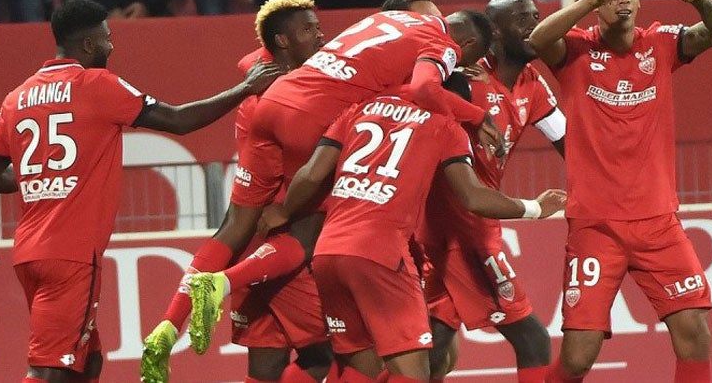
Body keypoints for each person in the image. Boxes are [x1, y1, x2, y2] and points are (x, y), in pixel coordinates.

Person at [0, 0, 282, 383]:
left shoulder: (17, 97)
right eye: (106, 38)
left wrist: (43, 183)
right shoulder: (95, 84)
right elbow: (179, 120)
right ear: (87, 45)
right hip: (72, 253)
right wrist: (245, 88)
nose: (111, 45)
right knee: (48, 369)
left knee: (88, 361)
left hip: (28, 252)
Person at [182, 8, 504, 357]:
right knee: (386, 354)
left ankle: (177, 316)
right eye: (464, 60)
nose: (457, 67)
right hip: (370, 237)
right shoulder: (440, 83)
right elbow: (426, 90)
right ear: (467, 44)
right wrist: (476, 115)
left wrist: (285, 208)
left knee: (241, 227)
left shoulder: (392, 22)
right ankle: (222, 282)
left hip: (277, 99)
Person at [206, 93, 567, 382]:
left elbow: (311, 174)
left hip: (328, 253)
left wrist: (284, 211)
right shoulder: (444, 126)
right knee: (414, 372)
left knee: (358, 367)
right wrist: (534, 207)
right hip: (382, 254)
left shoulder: (356, 110)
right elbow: (473, 197)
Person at [527, 0, 712, 382]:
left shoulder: (660, 43)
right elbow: (535, 40)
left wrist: (703, 1)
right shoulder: (574, 51)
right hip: (596, 226)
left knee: (694, 330)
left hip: (658, 222)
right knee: (578, 357)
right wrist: (588, 1)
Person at [141, 0, 333, 383]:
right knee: (334, 354)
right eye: (309, 29)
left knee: (264, 368)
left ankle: (171, 321)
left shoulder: (263, 75)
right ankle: (220, 284)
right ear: (283, 41)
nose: (321, 35)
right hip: (279, 252)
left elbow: (234, 226)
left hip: (252, 250)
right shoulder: (282, 100)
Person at [418, 0, 566, 383]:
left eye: (537, 16)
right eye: (522, 20)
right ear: (495, 31)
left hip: (466, 226)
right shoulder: (462, 77)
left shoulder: (533, 84)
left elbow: (571, 144)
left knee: (433, 357)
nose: (535, 27)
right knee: (531, 338)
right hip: (463, 228)